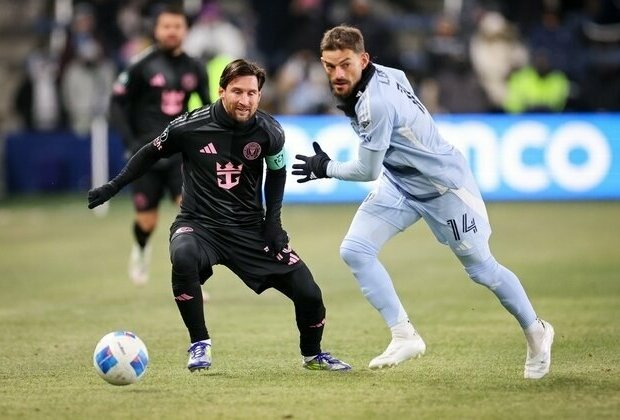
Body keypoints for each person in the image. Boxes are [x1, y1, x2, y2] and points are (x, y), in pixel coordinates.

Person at [292, 25, 554, 379]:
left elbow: (367, 169)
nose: (337, 74)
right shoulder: (388, 74)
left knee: (481, 269)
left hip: (445, 189)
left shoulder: (375, 104)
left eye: (345, 65)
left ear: (363, 60)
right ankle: (404, 335)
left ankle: (537, 331)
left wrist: (326, 167)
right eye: (329, 66)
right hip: (402, 183)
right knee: (355, 250)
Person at [88, 58, 351, 372]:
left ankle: (313, 355)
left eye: (252, 93)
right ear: (222, 90)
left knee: (309, 292)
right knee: (183, 256)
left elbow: (277, 173)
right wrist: (113, 186)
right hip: (199, 225)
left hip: (250, 229)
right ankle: (199, 343)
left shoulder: (269, 130)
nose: (245, 100)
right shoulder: (189, 126)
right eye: (237, 91)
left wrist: (273, 224)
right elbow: (149, 153)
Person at [108, 5, 210, 286]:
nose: (172, 32)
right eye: (166, 27)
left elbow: (207, 107)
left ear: (185, 30)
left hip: (179, 153)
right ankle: (141, 249)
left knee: (191, 214)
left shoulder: (195, 67)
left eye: (177, 27)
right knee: (147, 222)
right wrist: (130, 142)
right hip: (147, 155)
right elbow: (117, 103)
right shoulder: (141, 65)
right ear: (156, 29)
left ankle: (195, 277)